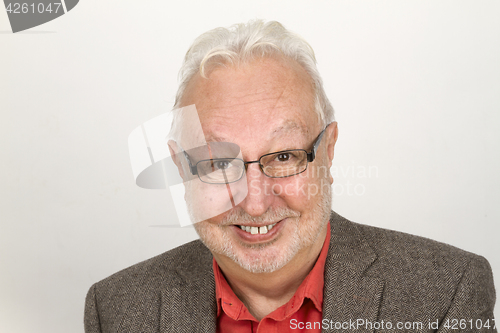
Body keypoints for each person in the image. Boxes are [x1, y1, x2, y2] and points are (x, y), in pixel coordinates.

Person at [84, 20, 496, 332]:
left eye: (283, 156)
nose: (254, 201)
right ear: (181, 169)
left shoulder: (446, 296)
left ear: (328, 151)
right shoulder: (116, 309)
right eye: (215, 164)